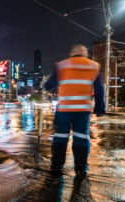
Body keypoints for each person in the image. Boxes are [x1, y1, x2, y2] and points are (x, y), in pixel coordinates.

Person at [44, 44, 105, 177]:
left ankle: (56, 166)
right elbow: (100, 88)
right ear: (85, 54)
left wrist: (48, 86)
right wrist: (100, 108)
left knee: (60, 137)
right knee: (81, 138)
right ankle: (81, 168)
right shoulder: (94, 66)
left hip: (64, 109)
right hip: (82, 110)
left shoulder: (62, 65)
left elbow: (49, 84)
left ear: (72, 54)